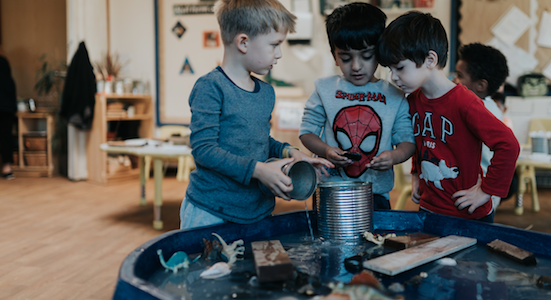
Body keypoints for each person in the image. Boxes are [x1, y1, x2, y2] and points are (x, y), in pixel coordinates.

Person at [179, 0, 333, 230]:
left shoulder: (266, 92)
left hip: (258, 211)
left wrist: (291, 152)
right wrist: (259, 170)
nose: (279, 54)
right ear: (243, 42)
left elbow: (259, 140)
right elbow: (204, 150)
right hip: (210, 211)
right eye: (274, 44)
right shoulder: (211, 88)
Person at [378, 11, 520, 222]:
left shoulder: (466, 103)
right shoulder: (412, 101)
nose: (394, 77)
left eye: (399, 68)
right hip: (430, 208)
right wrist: (417, 175)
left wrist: (486, 190)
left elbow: (509, 144)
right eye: (390, 70)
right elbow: (421, 143)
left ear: (430, 59)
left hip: (468, 213)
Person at [299, 2, 416, 210]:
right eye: (345, 57)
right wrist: (326, 151)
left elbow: (407, 141)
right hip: (330, 191)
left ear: (380, 52)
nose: (356, 66)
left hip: (376, 194)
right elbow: (307, 133)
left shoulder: (395, 95)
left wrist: (394, 156)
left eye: (367, 56)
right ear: (334, 55)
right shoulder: (323, 89)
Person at [452, 42, 510, 208]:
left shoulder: (478, 111)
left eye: (460, 75)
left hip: (477, 195)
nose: (454, 80)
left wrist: (486, 191)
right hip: (476, 191)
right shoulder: (492, 105)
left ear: (480, 85)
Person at [0, 47, 17, 180]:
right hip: (7, 107)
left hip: (5, 105)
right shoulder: (4, 62)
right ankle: (7, 168)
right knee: (6, 136)